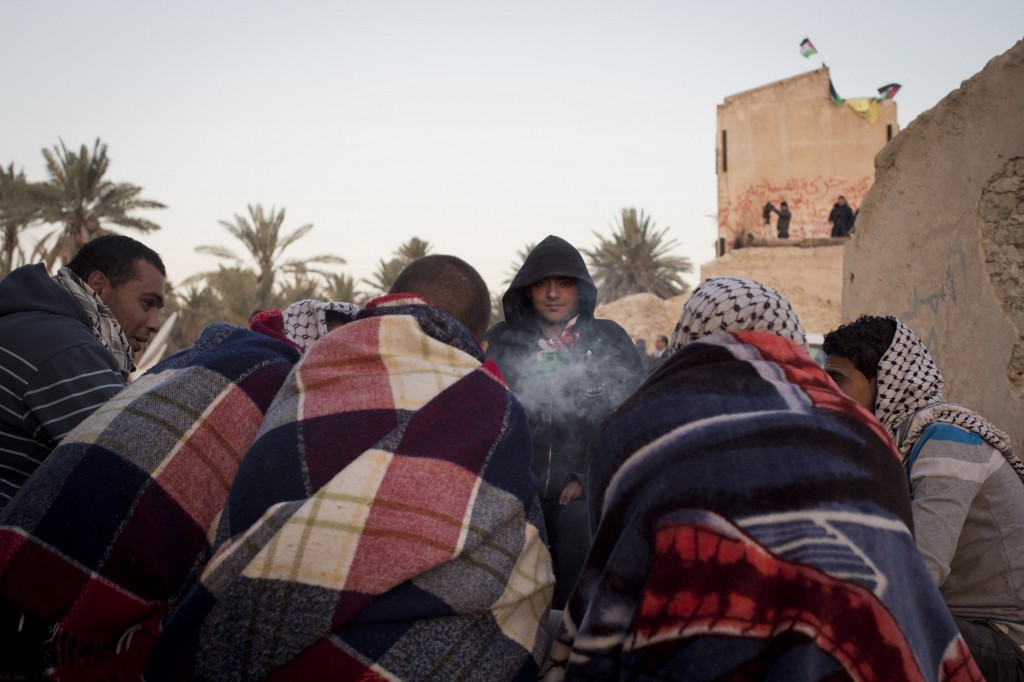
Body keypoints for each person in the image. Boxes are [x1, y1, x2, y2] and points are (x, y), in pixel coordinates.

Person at [543, 278, 981, 681]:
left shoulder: (634, 426)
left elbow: (610, 569)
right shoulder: (864, 430)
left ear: (685, 340)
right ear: (790, 340)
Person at [146, 255, 553, 680]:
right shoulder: (487, 400)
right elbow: (525, 558)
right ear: (480, 346)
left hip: (241, 644)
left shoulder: (306, 369)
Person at [0, 321, 302, 679]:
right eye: (147, 303)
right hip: (65, 628)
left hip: (19, 573)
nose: (156, 320)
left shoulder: (197, 359)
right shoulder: (277, 384)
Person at [823, 315, 1024, 680]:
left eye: (837, 379)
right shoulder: (892, 447)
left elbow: (922, 572)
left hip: (1003, 639)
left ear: (885, 384)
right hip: (956, 624)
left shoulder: (946, 439)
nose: (823, 392)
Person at [484, 235, 644, 608]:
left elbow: (630, 419)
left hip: (584, 494)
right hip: (515, 491)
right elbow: (482, 415)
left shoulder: (609, 340)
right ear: (527, 290)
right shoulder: (502, 342)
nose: (553, 293)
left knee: (578, 530)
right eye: (542, 283)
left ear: (581, 290)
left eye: (565, 283)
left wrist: (586, 475)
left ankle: (574, 642)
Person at [0, 234, 166, 508]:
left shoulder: (28, 322)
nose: (155, 323)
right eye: (147, 303)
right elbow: (135, 473)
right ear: (98, 287)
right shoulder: (68, 348)